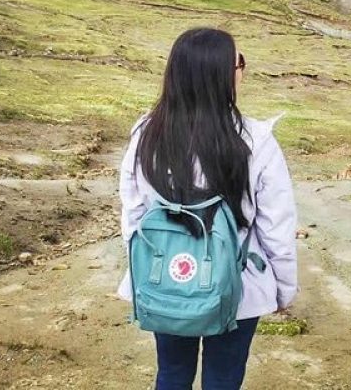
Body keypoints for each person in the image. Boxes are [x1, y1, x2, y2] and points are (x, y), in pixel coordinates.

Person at [116, 27, 298, 390]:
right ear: (222, 75)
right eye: (240, 63)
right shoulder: (256, 141)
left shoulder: (146, 134)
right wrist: (283, 289)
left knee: (171, 373)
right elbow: (276, 226)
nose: (242, 71)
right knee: (224, 380)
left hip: (165, 278)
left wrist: (143, 274)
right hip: (240, 286)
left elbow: (133, 215)